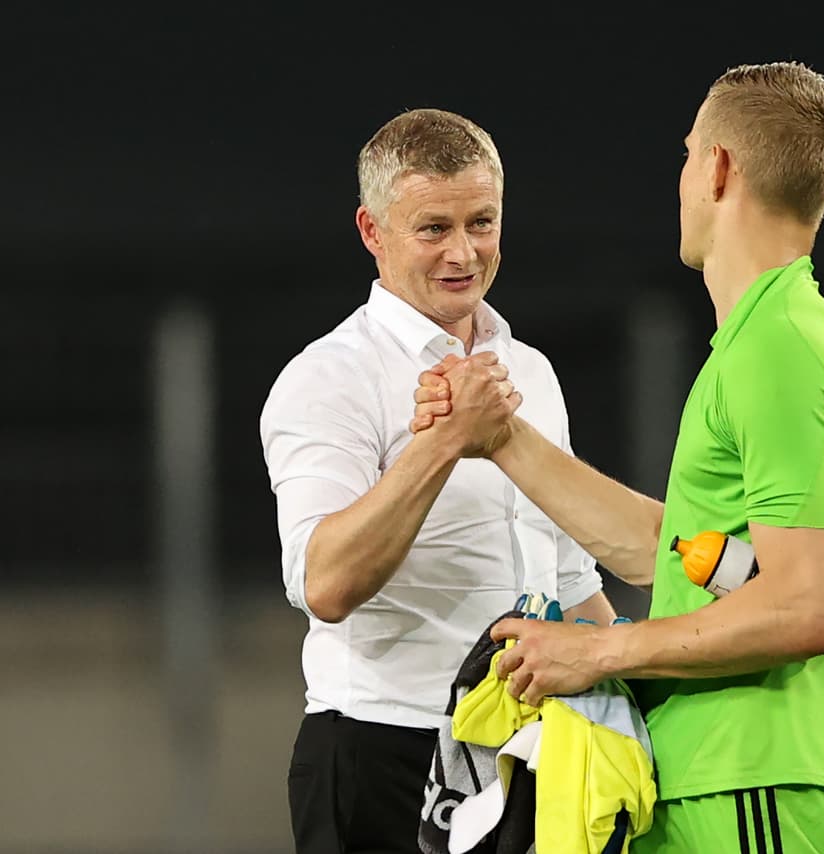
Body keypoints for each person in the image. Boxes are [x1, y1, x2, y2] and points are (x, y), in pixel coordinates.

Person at [410, 61, 824, 852]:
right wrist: (500, 440)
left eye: (689, 154)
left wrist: (599, 651)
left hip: (754, 779)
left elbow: (811, 607)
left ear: (721, 170)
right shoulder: (778, 336)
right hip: (722, 778)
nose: (682, 178)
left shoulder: (776, 350)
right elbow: (685, 555)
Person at [258, 107, 617, 854]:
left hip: (529, 752)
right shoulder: (329, 378)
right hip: (386, 751)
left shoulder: (532, 373)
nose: (463, 252)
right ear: (371, 231)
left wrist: (626, 709)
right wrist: (447, 440)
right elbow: (324, 582)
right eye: (433, 229)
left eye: (482, 222)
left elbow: (573, 577)